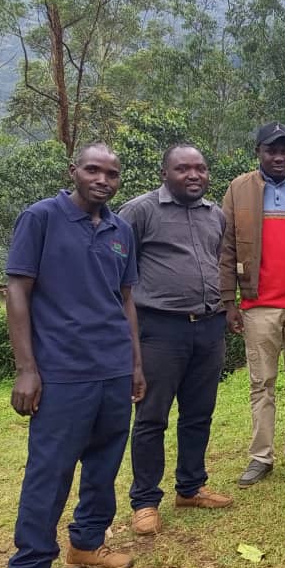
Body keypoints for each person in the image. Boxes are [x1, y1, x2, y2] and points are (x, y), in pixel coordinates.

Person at [5, 143, 145, 568]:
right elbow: (17, 291)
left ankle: (87, 543)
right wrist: (27, 367)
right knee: (51, 470)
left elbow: (125, 301)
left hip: (112, 367)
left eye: (112, 173)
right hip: (61, 372)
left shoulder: (120, 229)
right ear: (74, 171)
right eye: (93, 169)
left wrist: (135, 364)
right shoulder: (41, 218)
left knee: (105, 462)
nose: (103, 179)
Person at [118, 144, 232, 536]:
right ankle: (145, 501)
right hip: (159, 330)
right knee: (151, 416)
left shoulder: (214, 214)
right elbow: (116, 269)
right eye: (183, 169)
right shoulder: (141, 211)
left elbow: (217, 259)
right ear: (165, 173)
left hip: (208, 325)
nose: (194, 175)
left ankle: (191, 486)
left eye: (200, 168)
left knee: (199, 412)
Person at [219, 122, 285, 487]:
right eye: (271, 150)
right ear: (258, 153)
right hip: (257, 305)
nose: (279, 157)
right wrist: (228, 301)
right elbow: (227, 247)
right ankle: (260, 456)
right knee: (261, 383)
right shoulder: (239, 189)